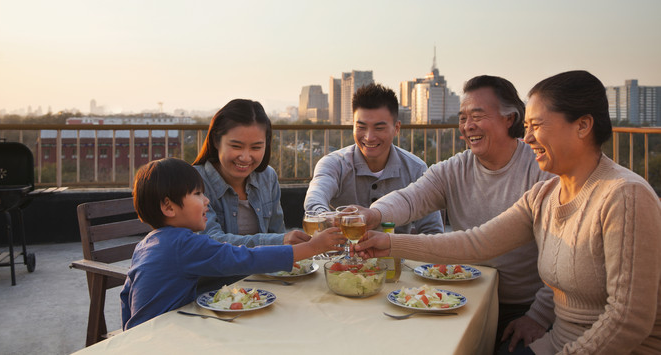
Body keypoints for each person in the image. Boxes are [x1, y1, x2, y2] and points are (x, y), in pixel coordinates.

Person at [356, 70, 661, 355]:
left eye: (537, 126)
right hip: (556, 340)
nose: (527, 138)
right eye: (527, 128)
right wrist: (386, 241)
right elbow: (475, 243)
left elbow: (627, 322)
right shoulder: (546, 195)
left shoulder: (624, 195)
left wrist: (541, 320)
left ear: (582, 125)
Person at [357, 75, 555, 352]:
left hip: (523, 306)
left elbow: (562, 261)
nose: (467, 126)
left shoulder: (541, 172)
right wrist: (373, 215)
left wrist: (538, 316)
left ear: (510, 118)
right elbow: (411, 198)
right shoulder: (455, 168)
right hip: (462, 295)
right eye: (462, 118)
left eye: (477, 115)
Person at [120, 158, 344, 330]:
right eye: (198, 194)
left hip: (141, 333)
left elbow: (126, 295)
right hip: (163, 336)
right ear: (169, 207)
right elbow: (244, 258)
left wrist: (128, 334)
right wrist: (313, 248)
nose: (206, 200)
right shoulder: (184, 243)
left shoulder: (148, 243)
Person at [303, 83, 443, 235]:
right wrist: (329, 219)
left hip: (395, 256)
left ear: (396, 128)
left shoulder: (415, 169)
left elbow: (433, 231)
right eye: (361, 127)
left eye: (379, 128)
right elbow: (314, 199)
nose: (369, 137)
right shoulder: (334, 164)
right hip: (341, 257)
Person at [194, 99, 309, 247]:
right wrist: (279, 241)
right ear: (216, 140)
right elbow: (210, 242)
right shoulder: (194, 181)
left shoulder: (267, 177)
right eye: (236, 146)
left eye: (256, 148)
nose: (245, 157)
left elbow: (278, 233)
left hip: (265, 271)